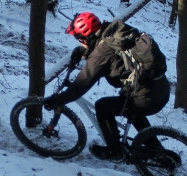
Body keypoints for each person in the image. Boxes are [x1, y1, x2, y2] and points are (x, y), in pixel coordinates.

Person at [43, 11, 170, 161]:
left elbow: (80, 86)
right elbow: (109, 51)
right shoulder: (113, 32)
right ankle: (157, 150)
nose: (79, 43)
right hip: (159, 88)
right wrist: (82, 52)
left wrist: (58, 100)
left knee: (103, 107)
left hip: (146, 98)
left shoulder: (101, 54)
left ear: (85, 37)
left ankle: (115, 151)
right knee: (132, 110)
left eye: (79, 39)